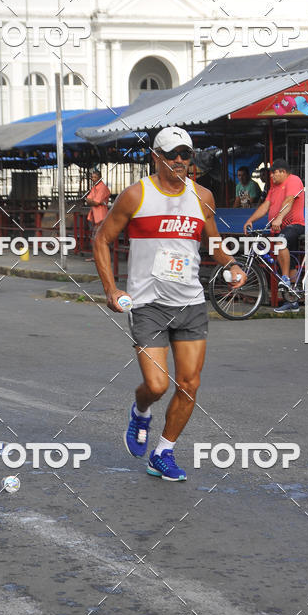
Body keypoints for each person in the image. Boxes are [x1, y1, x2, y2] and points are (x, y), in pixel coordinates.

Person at [93, 127, 246, 481]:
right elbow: (102, 240)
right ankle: (140, 410)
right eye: (171, 154)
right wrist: (111, 289)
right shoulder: (136, 195)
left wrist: (231, 265)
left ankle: (163, 452)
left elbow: (212, 243)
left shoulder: (202, 196)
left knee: (189, 384)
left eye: (185, 154)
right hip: (148, 304)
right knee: (157, 385)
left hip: (190, 303)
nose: (179, 160)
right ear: (156, 157)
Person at [243, 158, 305, 313]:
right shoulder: (274, 187)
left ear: (283, 172)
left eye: (273, 173)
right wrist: (250, 220)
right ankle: (292, 301)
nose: (271, 176)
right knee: (289, 262)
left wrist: (279, 217)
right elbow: (266, 205)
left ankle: (285, 279)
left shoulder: (293, 180)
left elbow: (289, 200)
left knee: (280, 242)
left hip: (295, 225)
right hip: (280, 228)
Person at [85, 168, 110, 259]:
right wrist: (93, 201)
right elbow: (88, 200)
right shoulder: (94, 187)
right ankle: (96, 256)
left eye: (95, 177)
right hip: (94, 215)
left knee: (99, 237)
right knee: (94, 237)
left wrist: (92, 201)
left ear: (100, 178)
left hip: (101, 216)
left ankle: (100, 257)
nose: (93, 179)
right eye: (92, 177)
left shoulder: (102, 188)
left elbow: (95, 202)